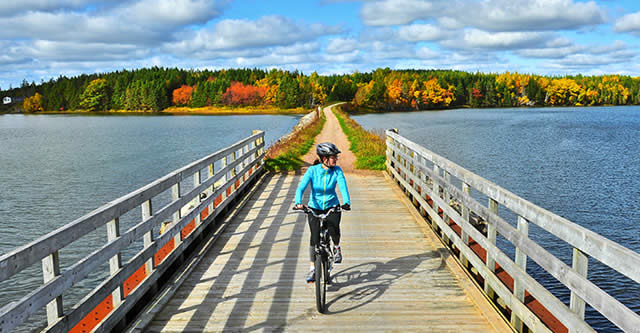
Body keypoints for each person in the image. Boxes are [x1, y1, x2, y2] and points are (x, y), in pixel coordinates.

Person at [295, 142, 351, 283]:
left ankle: (336, 247)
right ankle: (313, 268)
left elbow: (343, 186)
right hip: (314, 207)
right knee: (314, 238)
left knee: (334, 230)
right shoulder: (312, 171)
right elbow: (301, 187)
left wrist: (346, 202)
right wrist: (298, 202)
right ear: (324, 158)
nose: (336, 159)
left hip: (332, 205)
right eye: (333, 157)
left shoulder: (337, 170)